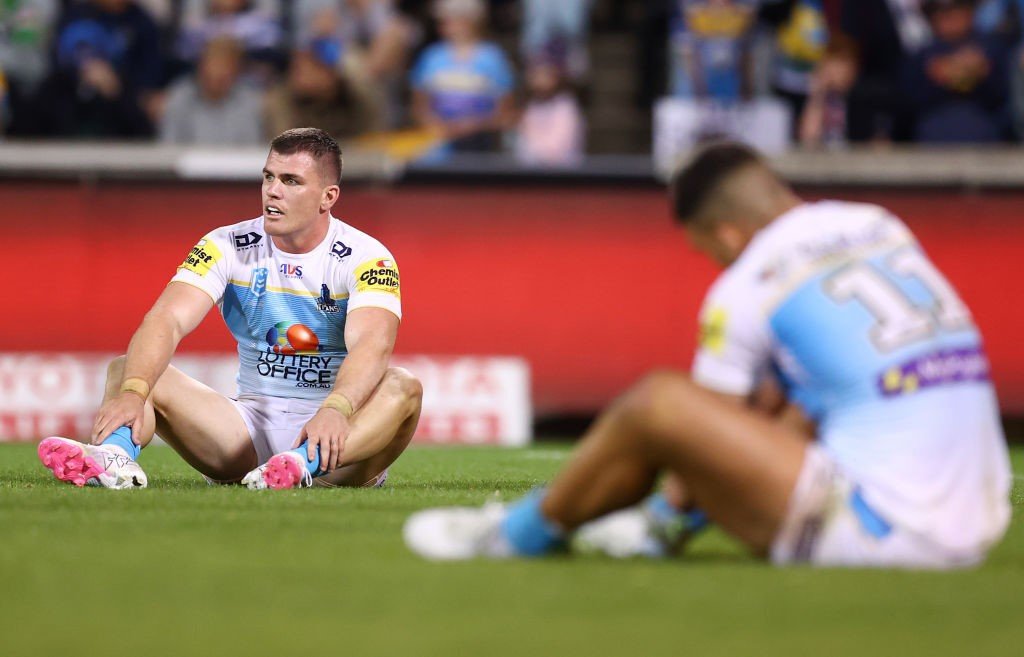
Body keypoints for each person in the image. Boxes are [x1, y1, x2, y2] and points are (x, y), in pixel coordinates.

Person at [404, 142, 1011, 569]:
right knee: (793, 394)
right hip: (978, 519)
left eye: (707, 252)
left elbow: (700, 447)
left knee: (658, 404)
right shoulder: (878, 222)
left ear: (726, 234)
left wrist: (666, 504)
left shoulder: (749, 282)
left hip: (883, 529)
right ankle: (657, 528)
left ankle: (517, 535)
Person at [38, 128, 422, 491]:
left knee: (404, 387)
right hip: (245, 432)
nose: (273, 191)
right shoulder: (227, 244)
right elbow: (168, 319)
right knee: (127, 369)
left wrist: (336, 409)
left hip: (339, 441)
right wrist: (134, 394)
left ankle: (303, 464)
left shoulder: (366, 257)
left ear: (328, 197)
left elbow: (373, 345)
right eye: (268, 177)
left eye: (291, 181)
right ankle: (115, 459)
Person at [409, 0, 516, 157]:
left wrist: (472, 126)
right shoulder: (430, 56)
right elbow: (418, 107)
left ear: (470, 21)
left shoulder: (493, 58)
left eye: (449, 21)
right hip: (436, 150)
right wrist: (437, 126)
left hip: (479, 150)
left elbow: (506, 114)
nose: (443, 27)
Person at [903, 0, 1011, 143]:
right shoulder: (920, 56)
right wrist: (943, 74)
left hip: (985, 135)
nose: (949, 17)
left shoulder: (994, 48)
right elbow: (910, 100)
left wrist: (973, 71)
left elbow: (1001, 94)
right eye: (939, 11)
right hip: (932, 137)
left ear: (970, 12)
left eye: (956, 9)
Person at [159, 37, 264, 145]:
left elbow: (252, 150)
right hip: (188, 161)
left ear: (236, 72)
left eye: (224, 73)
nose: (216, 73)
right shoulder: (179, 98)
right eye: (211, 66)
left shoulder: (250, 101)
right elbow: (168, 149)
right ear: (200, 67)